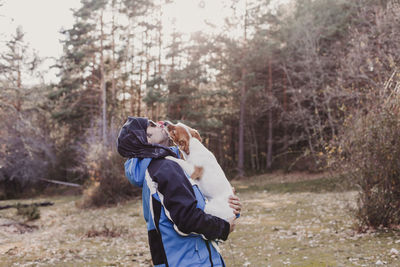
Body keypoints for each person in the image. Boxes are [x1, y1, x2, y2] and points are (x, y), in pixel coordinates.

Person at [117, 117, 241, 267]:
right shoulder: (164, 168)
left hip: (192, 257)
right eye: (151, 125)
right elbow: (187, 219)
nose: (160, 124)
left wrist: (228, 204)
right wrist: (223, 228)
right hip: (190, 261)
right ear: (144, 139)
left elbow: (195, 204)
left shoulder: (164, 167)